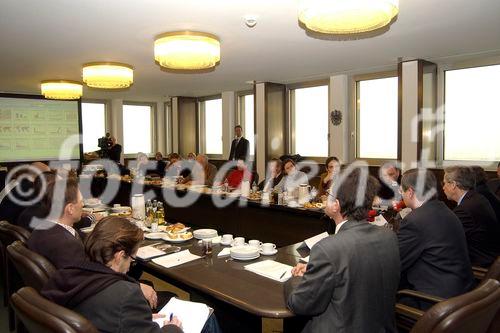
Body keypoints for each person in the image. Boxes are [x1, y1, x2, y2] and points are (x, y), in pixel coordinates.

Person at [284, 169, 400, 333]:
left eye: (329, 196)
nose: (325, 199)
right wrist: (315, 271)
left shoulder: (327, 248)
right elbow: (355, 272)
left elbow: (300, 304)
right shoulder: (389, 237)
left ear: (336, 205)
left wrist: (295, 279)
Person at [26, 177, 160, 308]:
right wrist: (136, 286)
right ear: (70, 209)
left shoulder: (42, 230)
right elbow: (90, 280)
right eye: (81, 201)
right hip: (97, 302)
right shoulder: (66, 245)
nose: (83, 204)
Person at [41, 216, 183, 333]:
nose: (129, 267)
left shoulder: (65, 274)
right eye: (132, 259)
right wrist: (173, 328)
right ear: (120, 256)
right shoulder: (126, 295)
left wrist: (136, 319)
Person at [397, 169, 474, 310]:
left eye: (401, 191)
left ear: (410, 192)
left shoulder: (414, 221)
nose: (401, 195)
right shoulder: (444, 209)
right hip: (461, 292)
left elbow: (395, 263)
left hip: (436, 301)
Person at [443, 166, 500, 267]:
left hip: (480, 264)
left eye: (445, 183)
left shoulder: (465, 209)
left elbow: (446, 237)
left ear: (453, 185)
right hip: (491, 256)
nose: (443, 188)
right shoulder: (476, 197)